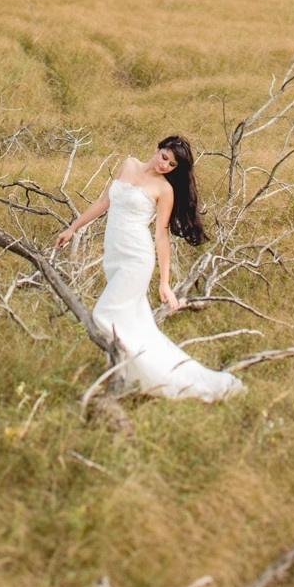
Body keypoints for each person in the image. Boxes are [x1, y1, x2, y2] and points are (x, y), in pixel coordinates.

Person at [53, 135, 246, 402]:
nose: (165, 165)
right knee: (132, 323)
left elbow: (162, 235)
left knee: (104, 314)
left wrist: (164, 283)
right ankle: (130, 374)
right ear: (157, 148)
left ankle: (153, 376)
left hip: (136, 258)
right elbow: (102, 203)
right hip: (114, 256)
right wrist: (73, 228)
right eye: (164, 157)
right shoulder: (128, 164)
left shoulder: (164, 189)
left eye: (172, 164)